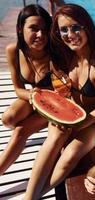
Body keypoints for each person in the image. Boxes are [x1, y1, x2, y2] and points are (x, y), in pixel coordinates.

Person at [24, 4, 95, 199]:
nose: (70, 34)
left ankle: (32, 196)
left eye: (75, 27)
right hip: (72, 116)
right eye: (63, 29)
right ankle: (30, 196)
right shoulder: (70, 56)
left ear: (87, 28)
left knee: (69, 157)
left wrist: (79, 124)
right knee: (53, 141)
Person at [0, 4, 52, 175]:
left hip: (57, 103)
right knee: (8, 119)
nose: (41, 35)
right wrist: (32, 95)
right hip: (36, 97)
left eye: (44, 29)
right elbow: (18, 89)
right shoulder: (13, 51)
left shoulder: (56, 51)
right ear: (20, 29)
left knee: (21, 131)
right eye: (34, 29)